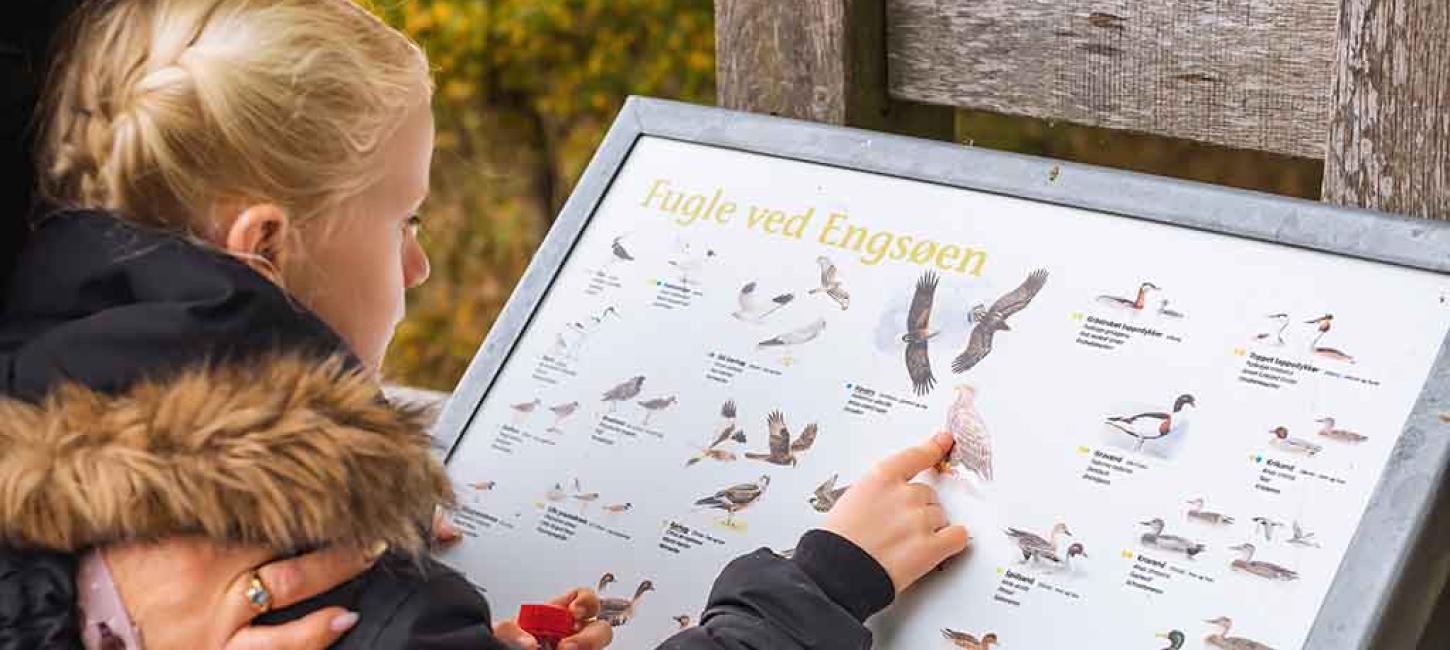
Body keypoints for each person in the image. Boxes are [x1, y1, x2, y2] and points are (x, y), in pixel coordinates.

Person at [0, 1, 971, 648]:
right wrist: (822, 585)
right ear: (264, 244)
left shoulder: (41, 375)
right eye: (403, 219)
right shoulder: (297, 553)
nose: (419, 263)